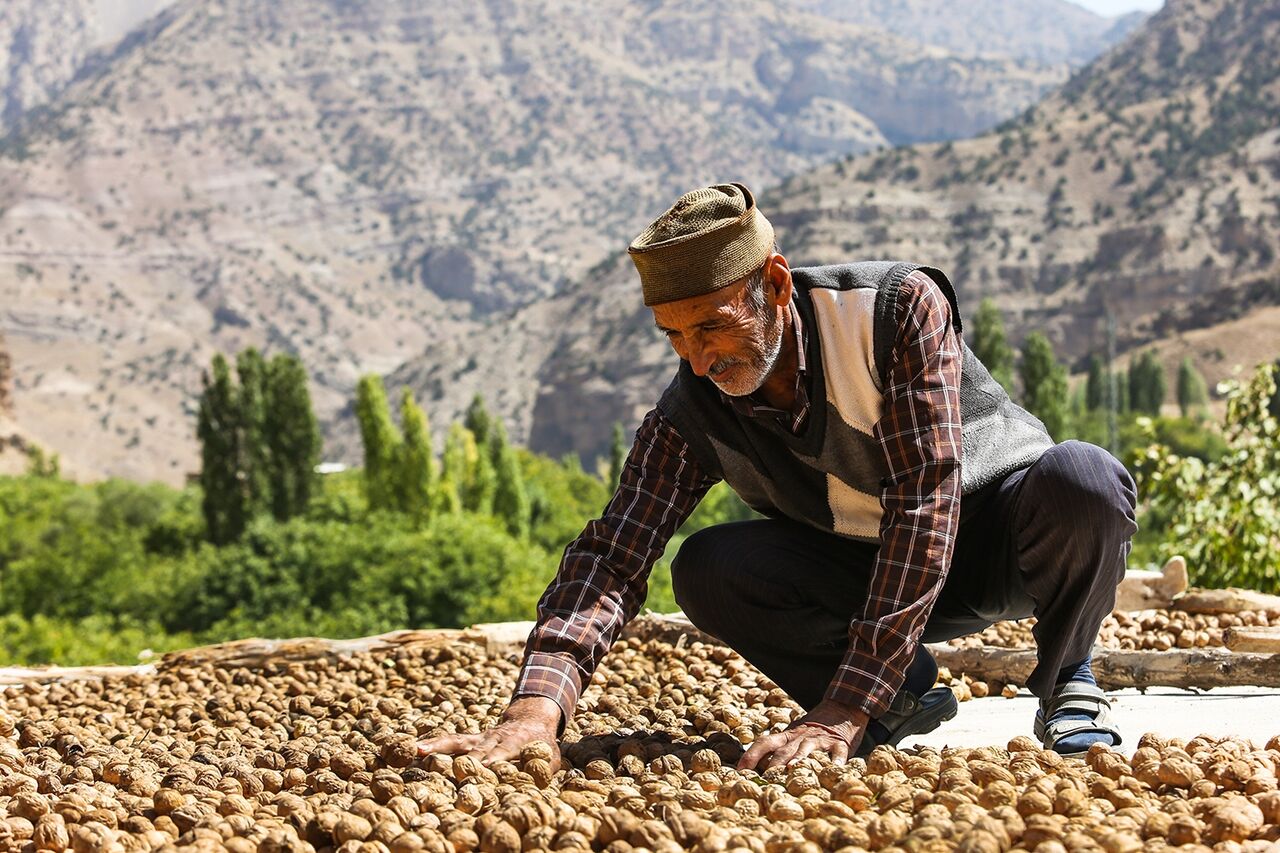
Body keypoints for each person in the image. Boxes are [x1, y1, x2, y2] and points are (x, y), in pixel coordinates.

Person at [418, 182, 1138, 772]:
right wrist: (537, 708)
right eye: (674, 336)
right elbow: (614, 554)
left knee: (1086, 479)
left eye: (712, 327)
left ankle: (1066, 676)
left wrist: (841, 706)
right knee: (708, 566)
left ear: (775, 283)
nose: (698, 360)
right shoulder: (694, 406)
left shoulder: (893, 311)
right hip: (861, 575)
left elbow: (926, 504)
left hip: (991, 539)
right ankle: (903, 694)